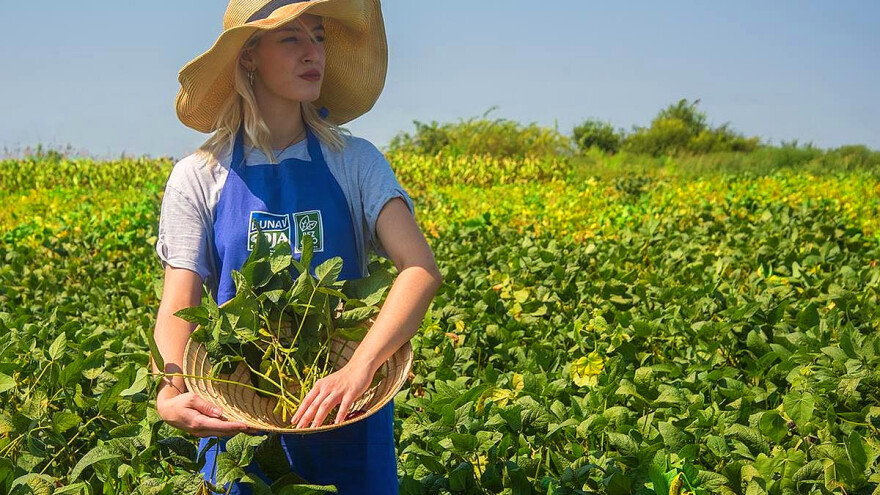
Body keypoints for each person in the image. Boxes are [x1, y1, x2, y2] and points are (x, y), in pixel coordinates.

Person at [150, 1, 443, 493]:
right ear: (248, 57)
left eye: (319, 38)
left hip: (349, 417)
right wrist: (170, 391)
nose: (313, 54)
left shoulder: (355, 162)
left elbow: (420, 269)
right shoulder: (198, 177)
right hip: (241, 419)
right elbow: (179, 306)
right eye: (292, 39)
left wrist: (358, 369)